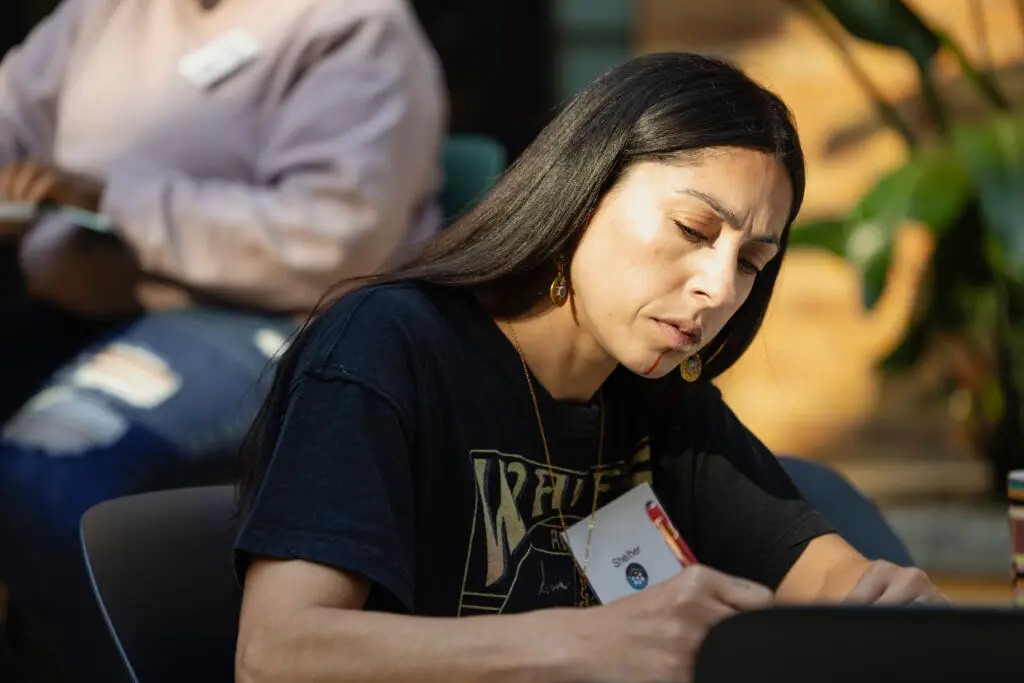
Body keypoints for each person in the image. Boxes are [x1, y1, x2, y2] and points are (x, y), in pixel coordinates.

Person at [233, 53, 944, 683]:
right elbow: (277, 653)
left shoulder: (661, 396)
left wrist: (896, 613)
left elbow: (831, 581)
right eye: (693, 230)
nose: (720, 288)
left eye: (752, 261)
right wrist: (589, 642)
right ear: (584, 190)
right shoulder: (386, 345)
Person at [0, 0, 445, 680]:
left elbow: (332, 238)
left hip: (268, 319)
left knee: (52, 463)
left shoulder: (355, 26)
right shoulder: (102, 13)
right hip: (76, 305)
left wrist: (116, 200)